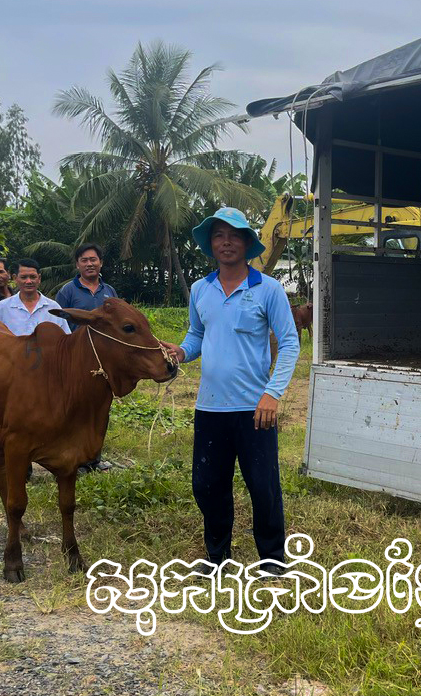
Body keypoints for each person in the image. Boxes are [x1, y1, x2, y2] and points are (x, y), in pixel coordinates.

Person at [162, 207, 299, 573]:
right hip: (210, 409)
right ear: (211, 244)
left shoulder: (267, 289)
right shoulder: (200, 290)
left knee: (263, 486)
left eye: (234, 235)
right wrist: (180, 351)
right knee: (208, 486)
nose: (226, 242)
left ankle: (272, 559)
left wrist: (272, 393)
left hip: (255, 408)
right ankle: (217, 557)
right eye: (219, 235)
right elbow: (197, 335)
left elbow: (289, 343)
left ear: (247, 244)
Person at [54, 243, 118, 473]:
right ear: (77, 264)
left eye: (93, 259)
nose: (90, 264)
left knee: (100, 408)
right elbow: (59, 323)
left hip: (105, 363)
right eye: (84, 260)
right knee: (76, 409)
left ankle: (94, 457)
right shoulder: (67, 292)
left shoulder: (109, 291)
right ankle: (75, 459)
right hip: (77, 361)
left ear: (101, 263)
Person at [0, 258, 71, 336]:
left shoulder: (53, 308)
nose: (28, 281)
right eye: (24, 277)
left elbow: (66, 339)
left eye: (33, 277)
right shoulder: (2, 307)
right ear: (15, 278)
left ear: (39, 278)